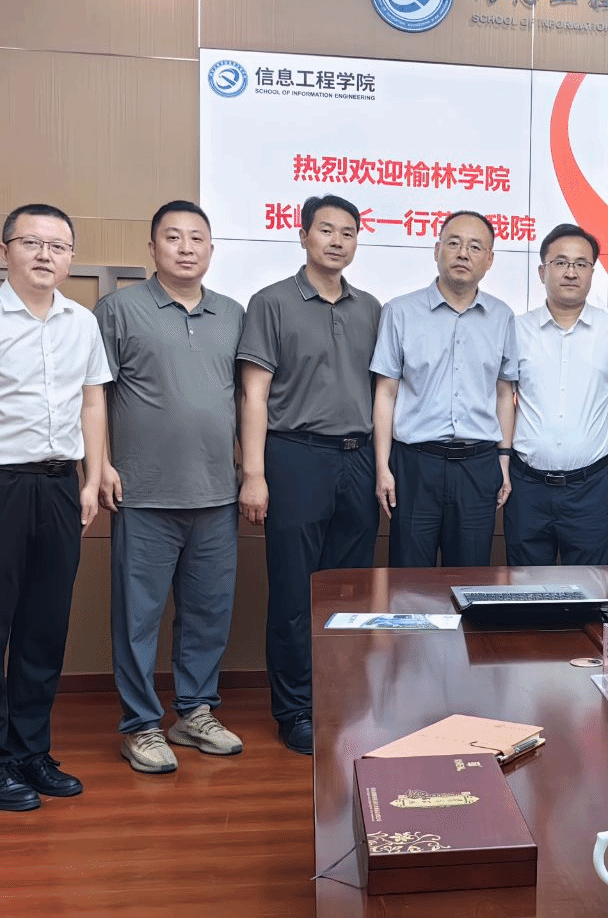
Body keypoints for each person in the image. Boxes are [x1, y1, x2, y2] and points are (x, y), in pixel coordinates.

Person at [96, 200, 246, 773]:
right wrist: (100, 464)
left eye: (197, 238)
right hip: (143, 494)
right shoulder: (119, 309)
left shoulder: (232, 313)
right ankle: (140, 724)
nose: (186, 248)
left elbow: (244, 397)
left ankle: (195, 712)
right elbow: (94, 393)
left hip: (217, 494)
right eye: (173, 237)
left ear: (211, 249)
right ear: (152, 248)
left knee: (208, 613)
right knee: (137, 618)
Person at [237, 194, 381, 755]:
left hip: (358, 457)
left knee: (349, 592)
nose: (337, 241)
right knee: (295, 592)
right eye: (326, 230)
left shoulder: (370, 308)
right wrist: (254, 473)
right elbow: (254, 394)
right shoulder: (271, 302)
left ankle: (340, 698)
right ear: (303, 236)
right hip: (295, 455)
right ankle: (295, 708)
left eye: (348, 232)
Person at [0, 203, 110, 811]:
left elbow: (92, 401)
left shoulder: (81, 322)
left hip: (60, 487)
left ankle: (29, 752)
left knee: (45, 626)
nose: (46, 255)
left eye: (58, 246)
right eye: (31, 242)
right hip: (4, 483)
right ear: (5, 251)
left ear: (70, 257)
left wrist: (91, 479)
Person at [371, 210, 517, 568]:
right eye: (454, 243)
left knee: (469, 579)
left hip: (478, 466)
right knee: (409, 581)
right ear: (437, 250)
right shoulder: (400, 311)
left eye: (475, 246)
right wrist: (382, 467)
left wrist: (503, 461)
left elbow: (504, 394)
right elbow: (386, 393)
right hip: (415, 465)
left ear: (490, 259)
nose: (463, 253)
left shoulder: (502, 317)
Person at [504, 223, 608, 565]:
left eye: (581, 264)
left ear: (592, 272)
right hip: (526, 486)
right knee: (525, 586)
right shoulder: (517, 329)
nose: (571, 272)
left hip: (590, 488)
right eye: (560, 262)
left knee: (590, 586)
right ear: (542, 271)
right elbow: (504, 400)